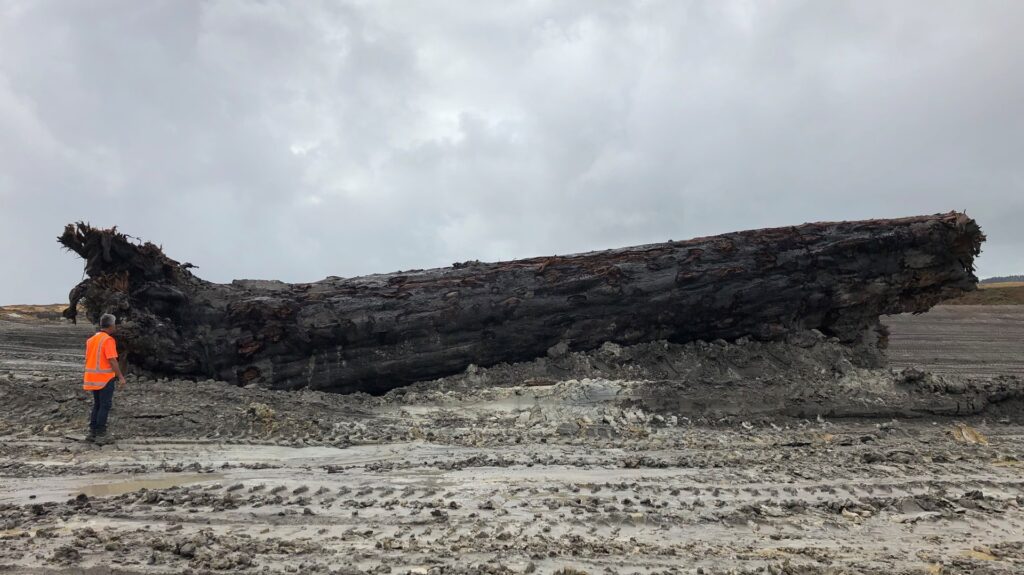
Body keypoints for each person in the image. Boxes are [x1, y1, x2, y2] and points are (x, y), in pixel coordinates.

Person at [83, 313, 127, 442]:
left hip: (92, 377)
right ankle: (101, 434)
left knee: (97, 405)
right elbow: (112, 360)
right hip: (104, 378)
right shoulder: (108, 340)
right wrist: (120, 377)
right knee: (105, 405)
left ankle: (92, 432)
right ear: (112, 325)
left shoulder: (91, 340)